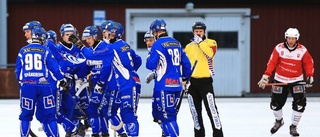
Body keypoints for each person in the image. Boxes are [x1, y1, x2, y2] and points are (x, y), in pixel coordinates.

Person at [257, 28, 314, 137]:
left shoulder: (302, 50)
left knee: (300, 104)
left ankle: (293, 127)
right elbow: (272, 62)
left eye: (293, 38)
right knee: (275, 104)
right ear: (286, 37)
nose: (291, 40)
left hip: (297, 81)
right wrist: (266, 76)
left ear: (297, 38)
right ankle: (279, 121)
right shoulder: (279, 48)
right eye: (289, 38)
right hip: (280, 80)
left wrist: (310, 75)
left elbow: (309, 63)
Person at [15, 27, 68, 137]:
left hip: (27, 86)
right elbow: (55, 68)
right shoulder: (46, 51)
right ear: (42, 38)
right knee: (50, 116)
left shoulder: (22, 50)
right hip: (44, 86)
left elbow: (18, 71)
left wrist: (24, 81)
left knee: (25, 116)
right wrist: (62, 80)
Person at [146, 19, 192, 137]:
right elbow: (186, 64)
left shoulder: (158, 44)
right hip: (176, 85)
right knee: (167, 116)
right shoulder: (177, 43)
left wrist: (150, 56)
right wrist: (186, 78)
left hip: (164, 86)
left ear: (155, 32)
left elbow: (150, 65)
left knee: (168, 117)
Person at [184, 22, 223, 137]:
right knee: (195, 112)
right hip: (192, 83)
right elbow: (185, 64)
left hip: (205, 82)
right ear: (193, 32)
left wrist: (200, 42)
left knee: (212, 110)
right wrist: (184, 79)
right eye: (196, 31)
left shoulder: (211, 43)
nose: (198, 33)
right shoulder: (189, 46)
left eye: (200, 31)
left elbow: (210, 54)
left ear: (204, 32)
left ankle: (218, 134)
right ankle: (199, 134)